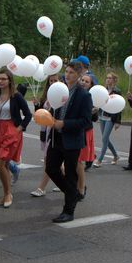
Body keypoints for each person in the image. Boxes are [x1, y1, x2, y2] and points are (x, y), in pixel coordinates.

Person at [45, 60, 92, 222]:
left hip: (72, 140)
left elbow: (86, 121)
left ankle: (68, 211)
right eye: (66, 72)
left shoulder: (83, 94)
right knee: (51, 168)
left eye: (71, 72)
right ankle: (73, 194)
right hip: (56, 137)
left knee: (71, 174)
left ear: (79, 75)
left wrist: (64, 124)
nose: (67, 75)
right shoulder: (59, 89)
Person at [0, 69, 32, 208]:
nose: (0, 81)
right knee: (4, 164)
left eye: (3, 79)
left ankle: (7, 194)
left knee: (0, 163)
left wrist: (19, 129)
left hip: (12, 130)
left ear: (9, 80)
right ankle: (6, 194)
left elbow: (28, 115)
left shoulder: (16, 96)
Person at [30, 74, 60, 197]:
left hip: (55, 131)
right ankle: (64, 183)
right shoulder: (47, 96)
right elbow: (42, 114)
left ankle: (41, 188)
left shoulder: (61, 95)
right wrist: (37, 105)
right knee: (54, 161)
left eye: (55, 80)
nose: (53, 82)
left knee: (49, 161)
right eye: (51, 81)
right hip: (45, 130)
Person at [94, 72, 122, 167]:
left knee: (104, 138)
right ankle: (116, 156)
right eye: (107, 78)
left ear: (114, 80)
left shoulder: (117, 91)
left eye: (110, 78)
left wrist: (118, 121)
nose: (107, 80)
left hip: (110, 117)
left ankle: (100, 160)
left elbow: (119, 106)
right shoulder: (104, 90)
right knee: (105, 139)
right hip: (102, 116)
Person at [77, 74, 97, 199]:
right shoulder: (75, 93)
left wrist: (93, 112)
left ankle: (81, 188)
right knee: (73, 162)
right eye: (83, 80)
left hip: (85, 131)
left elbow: (92, 119)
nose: (84, 82)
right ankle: (76, 185)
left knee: (79, 161)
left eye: (87, 82)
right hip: (74, 130)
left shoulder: (91, 97)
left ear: (90, 85)